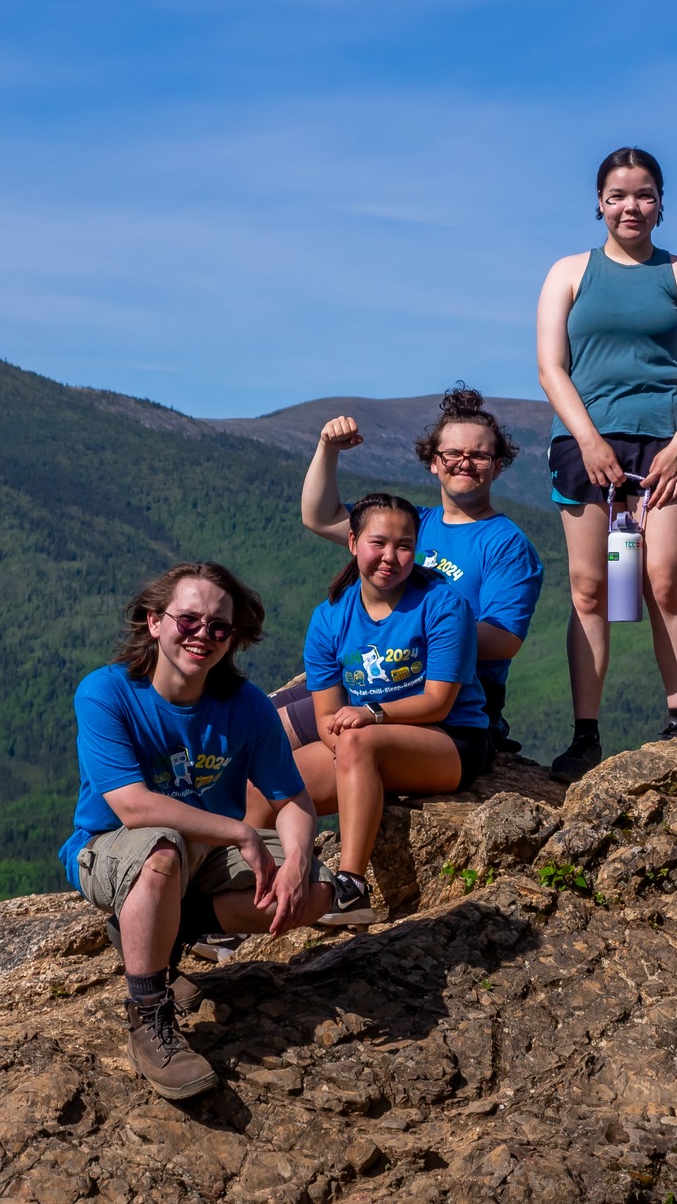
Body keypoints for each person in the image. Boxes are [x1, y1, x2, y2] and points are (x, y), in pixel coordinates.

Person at [61, 561, 334, 1101]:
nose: (202, 635)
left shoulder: (245, 706)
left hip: (203, 854)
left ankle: (167, 924)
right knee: (161, 852)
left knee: (318, 892)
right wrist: (240, 832)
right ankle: (149, 1017)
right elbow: (134, 807)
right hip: (112, 847)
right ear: (154, 621)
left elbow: (293, 799)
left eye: (218, 627)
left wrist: (298, 860)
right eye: (188, 620)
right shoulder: (106, 693)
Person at [536, 146, 677, 783]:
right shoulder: (567, 273)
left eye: (643, 195)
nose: (630, 207)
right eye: (617, 196)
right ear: (598, 203)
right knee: (591, 588)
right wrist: (587, 439)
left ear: (662, 201)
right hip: (586, 445)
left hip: (668, 446)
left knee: (663, 580)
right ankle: (585, 735)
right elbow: (551, 368)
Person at [278, 385, 544, 755]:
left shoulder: (505, 543)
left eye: (480, 456)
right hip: (376, 676)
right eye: (452, 453)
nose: (464, 463)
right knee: (255, 720)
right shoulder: (410, 523)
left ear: (497, 467)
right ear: (433, 461)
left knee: (276, 736)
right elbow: (320, 517)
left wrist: (407, 640)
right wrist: (328, 449)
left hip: (445, 696)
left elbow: (505, 641)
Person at [290, 492, 492, 925]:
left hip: (452, 740)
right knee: (263, 787)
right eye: (377, 543)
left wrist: (372, 716)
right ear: (352, 543)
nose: (390, 557)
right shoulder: (329, 617)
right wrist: (346, 750)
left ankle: (351, 889)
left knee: (359, 742)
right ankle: (258, 887)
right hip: (367, 741)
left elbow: (438, 702)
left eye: (404, 546)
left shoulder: (443, 605)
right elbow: (327, 716)